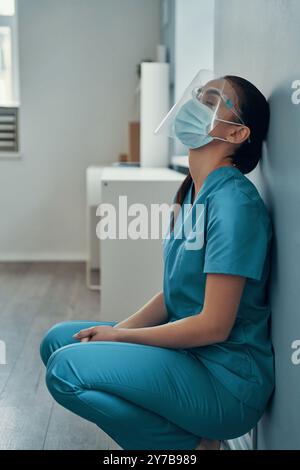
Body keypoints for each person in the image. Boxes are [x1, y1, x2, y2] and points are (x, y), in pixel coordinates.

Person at [40, 71, 274, 451]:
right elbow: (173, 295)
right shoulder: (197, 194)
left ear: (236, 134)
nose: (196, 104)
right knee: (59, 341)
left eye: (211, 100)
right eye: (198, 95)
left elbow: (214, 326)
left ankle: (194, 448)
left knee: (65, 370)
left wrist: (121, 337)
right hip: (191, 357)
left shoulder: (234, 205)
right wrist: (114, 333)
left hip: (224, 382)